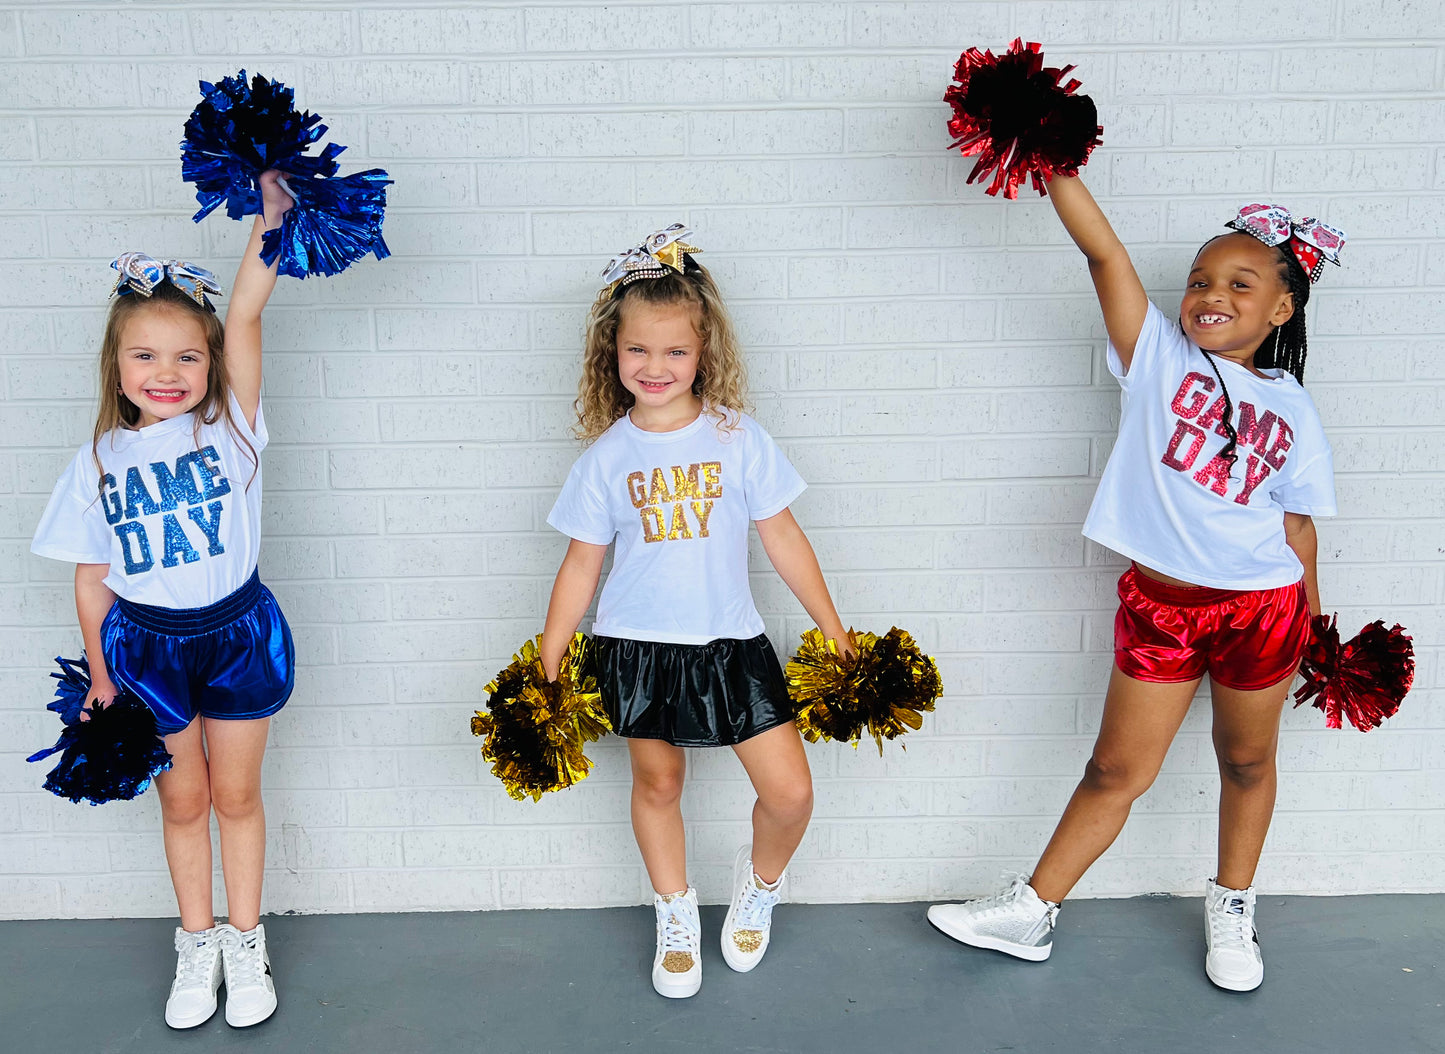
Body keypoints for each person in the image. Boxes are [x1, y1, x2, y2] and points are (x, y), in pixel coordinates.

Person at [928, 184, 1342, 993]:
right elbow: (1103, 253)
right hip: (1163, 609)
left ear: (1281, 311)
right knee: (1115, 770)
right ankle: (1031, 912)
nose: (1209, 295)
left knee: (1247, 761)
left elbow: (1296, 529)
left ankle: (1231, 908)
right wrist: (1049, 162)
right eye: (1197, 280)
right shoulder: (1156, 357)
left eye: (1237, 284)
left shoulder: (1292, 407)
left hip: (1263, 609)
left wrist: (1316, 629)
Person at [540, 225, 852, 998]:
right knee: (657, 785)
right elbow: (580, 564)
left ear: (703, 353)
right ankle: (674, 910)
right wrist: (547, 661)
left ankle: (759, 884)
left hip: (730, 645)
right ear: (612, 356)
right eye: (637, 351)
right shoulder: (606, 457)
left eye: (674, 352)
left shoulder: (737, 439)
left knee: (789, 793)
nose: (655, 367)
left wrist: (834, 628)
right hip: (637, 649)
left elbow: (782, 537)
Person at [31, 173, 298, 1027]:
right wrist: (103, 675)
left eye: (188, 355)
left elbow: (249, 310)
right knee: (181, 800)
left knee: (236, 797)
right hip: (146, 651)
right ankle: (197, 945)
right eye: (145, 355)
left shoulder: (233, 428)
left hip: (238, 636)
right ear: (117, 365)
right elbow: (90, 577)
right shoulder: (99, 459)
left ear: (213, 361)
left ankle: (247, 943)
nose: (168, 372)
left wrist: (271, 219)